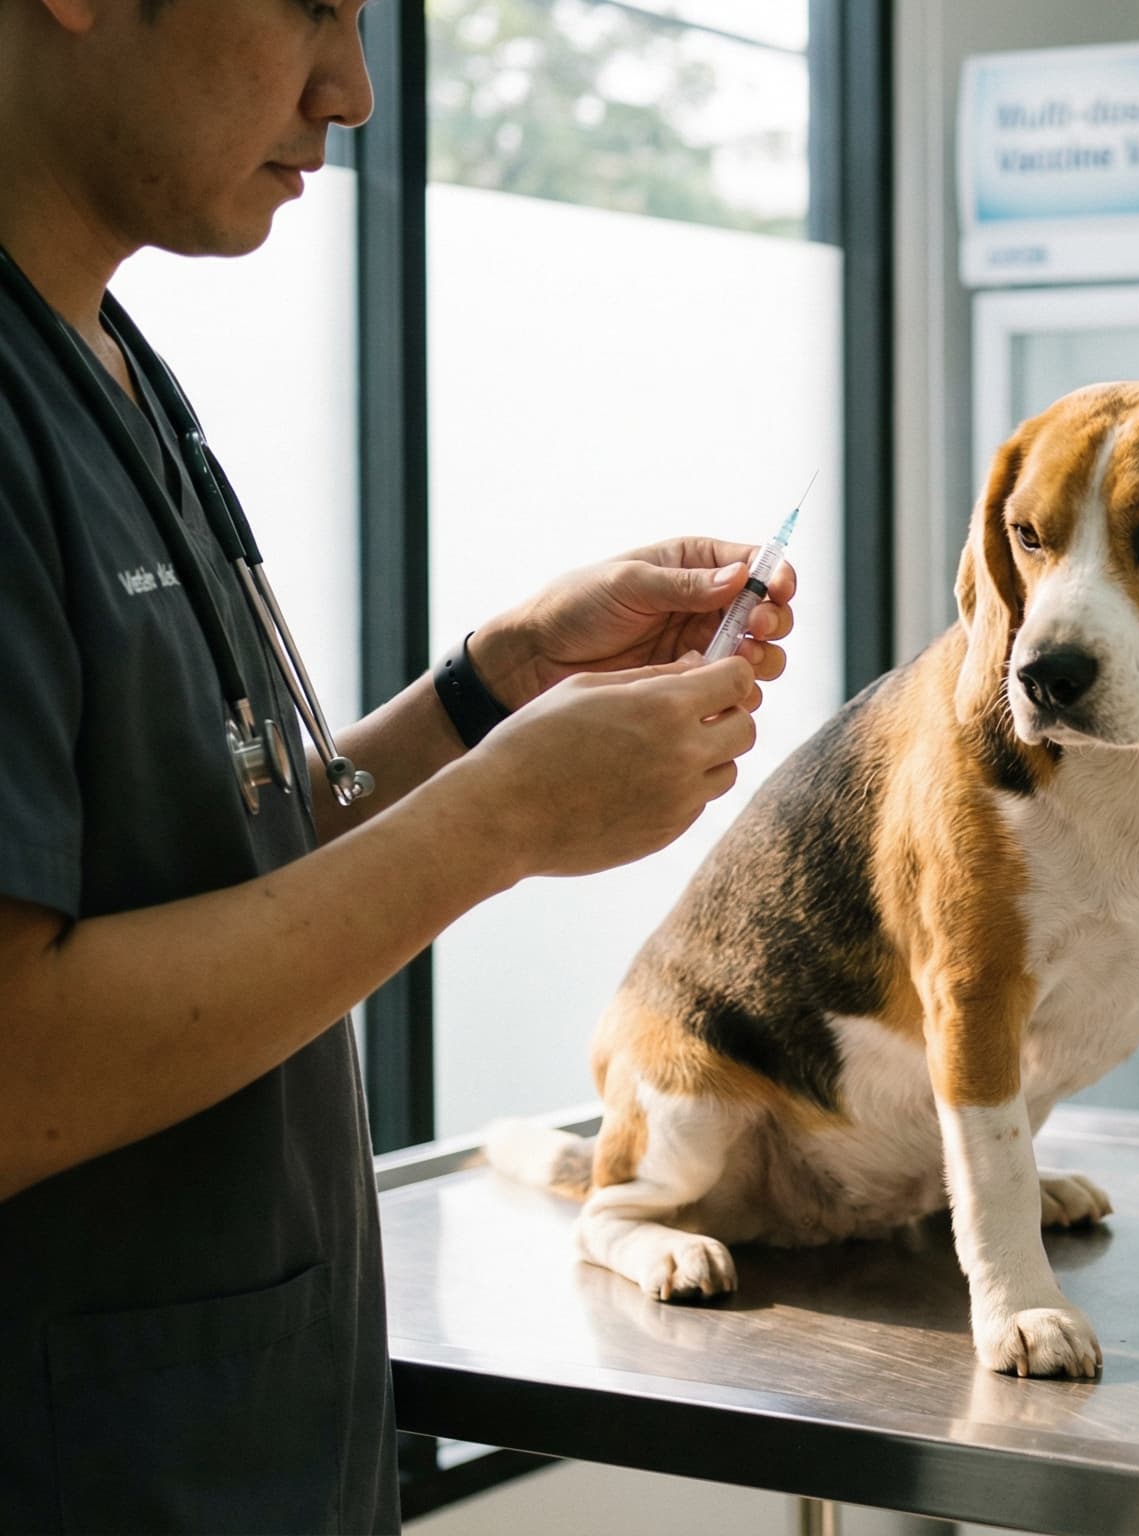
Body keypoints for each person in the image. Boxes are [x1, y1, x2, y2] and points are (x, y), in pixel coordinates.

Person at [0, 1, 799, 1528]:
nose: (354, 92)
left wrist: (486, 691)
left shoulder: (107, 360)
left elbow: (236, 840)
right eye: (311, 5)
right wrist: (501, 823)